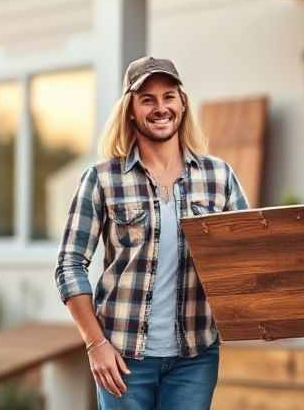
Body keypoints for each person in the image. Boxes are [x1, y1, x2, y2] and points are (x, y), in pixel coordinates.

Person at [55, 56, 249, 409]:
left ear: (182, 103)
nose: (160, 108)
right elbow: (69, 264)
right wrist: (95, 344)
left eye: (169, 96)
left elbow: (250, 254)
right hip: (123, 357)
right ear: (131, 110)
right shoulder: (102, 179)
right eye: (148, 99)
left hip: (195, 356)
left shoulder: (219, 177)